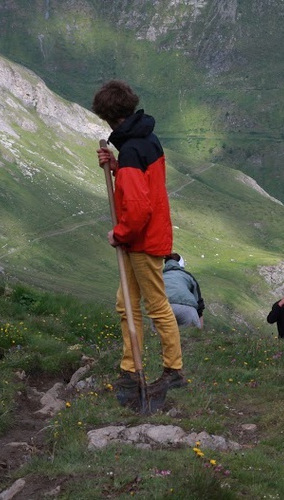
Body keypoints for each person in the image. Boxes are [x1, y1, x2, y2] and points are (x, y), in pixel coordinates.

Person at [92, 80, 186, 409]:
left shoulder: (131, 149)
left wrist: (119, 233)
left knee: (156, 305)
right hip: (148, 238)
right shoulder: (146, 140)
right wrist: (116, 167)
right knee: (126, 303)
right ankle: (131, 369)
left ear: (108, 117)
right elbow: (143, 185)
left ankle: (173, 370)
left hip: (142, 241)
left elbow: (139, 208)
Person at [163, 253, 204, 329]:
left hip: (164, 308)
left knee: (160, 337)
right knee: (193, 337)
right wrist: (200, 330)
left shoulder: (159, 276)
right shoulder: (187, 276)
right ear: (181, 264)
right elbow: (199, 303)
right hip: (186, 310)